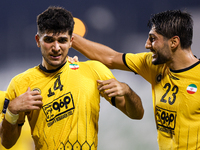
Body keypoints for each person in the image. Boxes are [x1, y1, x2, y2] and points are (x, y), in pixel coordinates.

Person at [0, 6, 144, 150]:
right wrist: (12, 111)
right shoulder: (21, 84)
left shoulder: (94, 71)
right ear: (38, 40)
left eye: (62, 40)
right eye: (49, 40)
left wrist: (128, 91)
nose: (56, 47)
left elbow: (137, 114)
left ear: (71, 41)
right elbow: (7, 143)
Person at [72, 10, 200, 150]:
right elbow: (110, 58)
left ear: (174, 42)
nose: (147, 45)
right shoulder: (153, 65)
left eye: (153, 38)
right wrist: (68, 37)